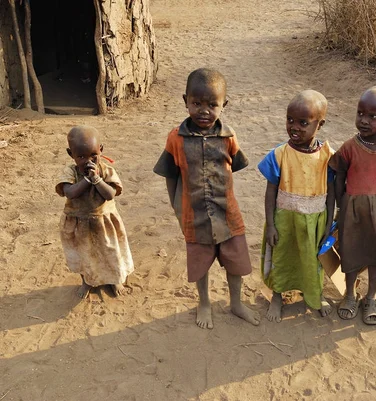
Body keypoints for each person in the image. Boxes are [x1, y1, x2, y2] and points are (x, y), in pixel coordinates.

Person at [153, 68, 260, 329]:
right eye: (196, 103)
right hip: (194, 215)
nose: (204, 110)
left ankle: (236, 303)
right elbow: (170, 174)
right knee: (200, 264)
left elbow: (232, 167)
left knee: (235, 262)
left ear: (224, 104)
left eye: (212, 104)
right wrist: (177, 209)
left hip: (228, 214)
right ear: (185, 100)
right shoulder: (175, 138)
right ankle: (204, 303)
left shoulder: (228, 137)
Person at [258, 90, 335, 323]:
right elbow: (270, 191)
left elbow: (332, 194)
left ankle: (313, 296)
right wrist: (271, 224)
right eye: (290, 120)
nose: (294, 127)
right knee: (282, 257)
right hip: (284, 220)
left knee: (312, 262)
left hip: (314, 222)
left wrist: (329, 225)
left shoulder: (328, 157)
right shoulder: (279, 155)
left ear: (319, 124)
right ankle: (278, 296)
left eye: (303, 122)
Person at [328, 86, 376, 325]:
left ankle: (371, 296)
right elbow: (338, 176)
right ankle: (350, 295)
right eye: (360, 113)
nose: (364, 120)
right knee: (351, 254)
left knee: (375, 256)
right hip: (354, 211)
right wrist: (342, 205)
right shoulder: (350, 147)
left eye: (373, 116)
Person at [56, 125, 134, 299]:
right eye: (81, 156)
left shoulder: (106, 171)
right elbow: (70, 192)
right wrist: (86, 179)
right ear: (71, 154)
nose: (88, 160)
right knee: (84, 253)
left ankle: (115, 280)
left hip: (104, 222)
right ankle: (87, 281)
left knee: (110, 251)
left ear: (101, 150)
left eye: (93, 155)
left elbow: (110, 194)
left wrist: (97, 179)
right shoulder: (70, 172)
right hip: (79, 222)